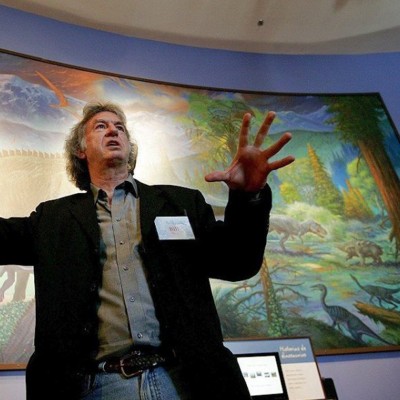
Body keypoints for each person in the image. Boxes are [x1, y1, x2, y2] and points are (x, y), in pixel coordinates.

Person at [0, 101, 294, 400]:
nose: (113, 130)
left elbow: (238, 263)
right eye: (100, 126)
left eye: (120, 128)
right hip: (94, 387)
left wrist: (249, 197)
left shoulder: (181, 203)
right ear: (81, 150)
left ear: (129, 146)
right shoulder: (53, 219)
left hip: (185, 382)